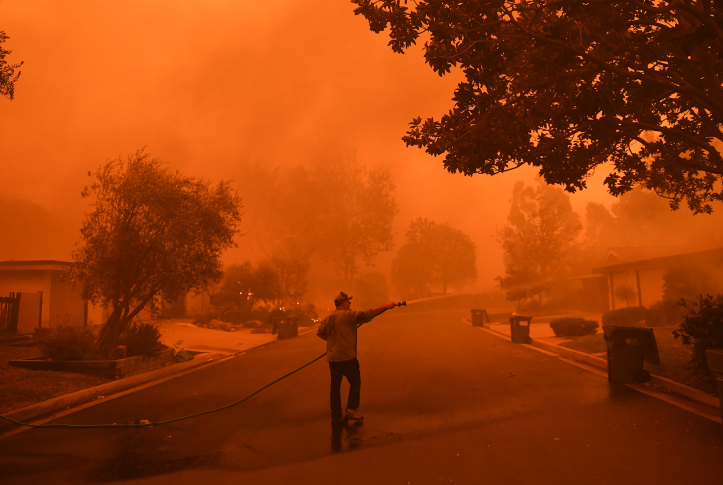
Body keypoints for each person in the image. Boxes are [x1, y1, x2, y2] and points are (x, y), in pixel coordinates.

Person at [317, 291, 397, 426]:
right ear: (343, 303)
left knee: (335, 387)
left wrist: (333, 342)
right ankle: (351, 410)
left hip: (333, 358)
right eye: (348, 301)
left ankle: (336, 416)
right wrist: (385, 306)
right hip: (347, 357)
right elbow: (366, 314)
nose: (350, 303)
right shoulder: (348, 315)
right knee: (355, 381)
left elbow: (319, 333)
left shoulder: (329, 318)